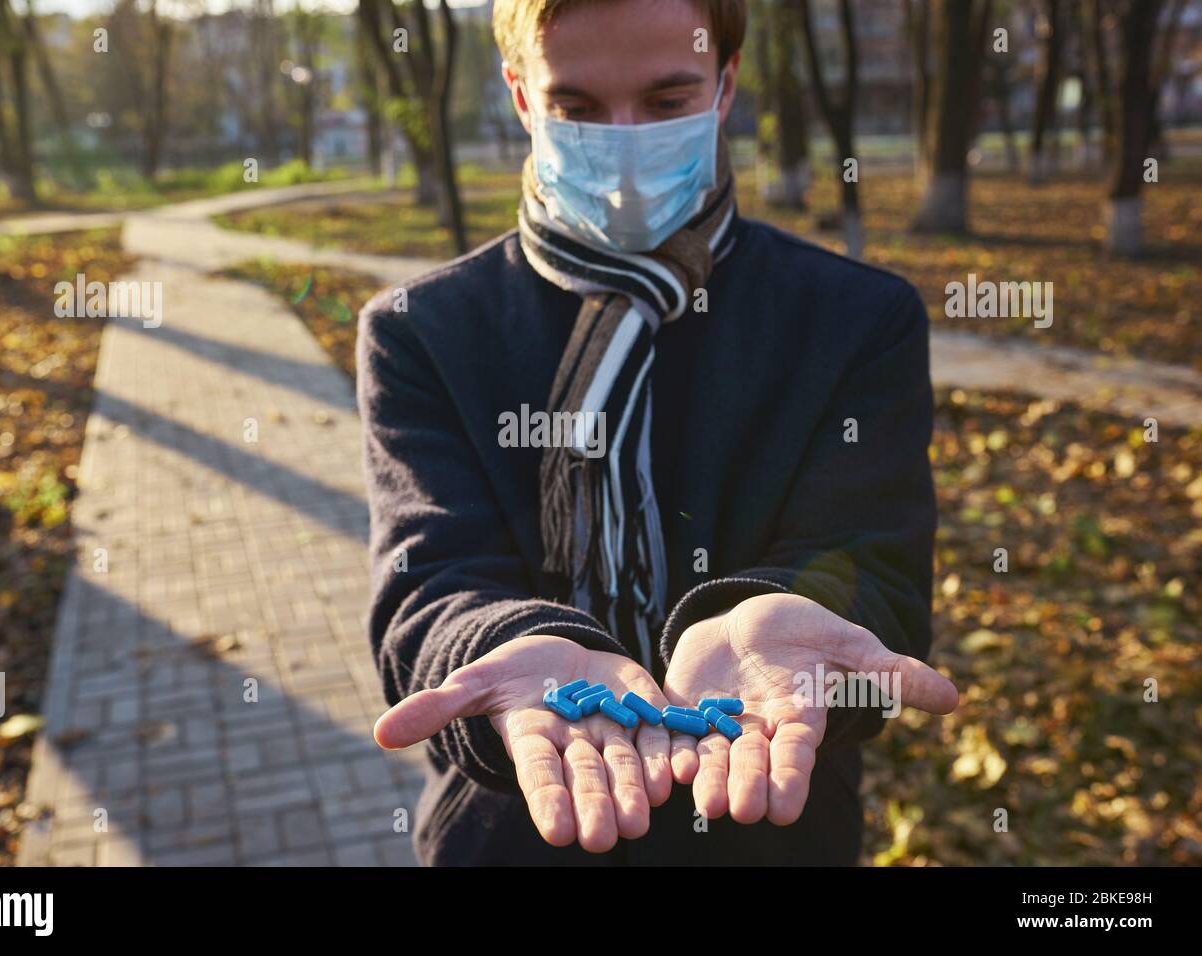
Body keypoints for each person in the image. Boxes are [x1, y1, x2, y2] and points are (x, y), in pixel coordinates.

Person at [358, 0, 959, 865]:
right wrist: (502, 647)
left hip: (773, 829)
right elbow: (430, 587)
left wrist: (790, 622)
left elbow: (878, 577)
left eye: (668, 98)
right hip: (511, 831)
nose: (625, 140)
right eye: (578, 109)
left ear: (725, 85)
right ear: (521, 95)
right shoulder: (424, 332)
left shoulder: (854, 321)